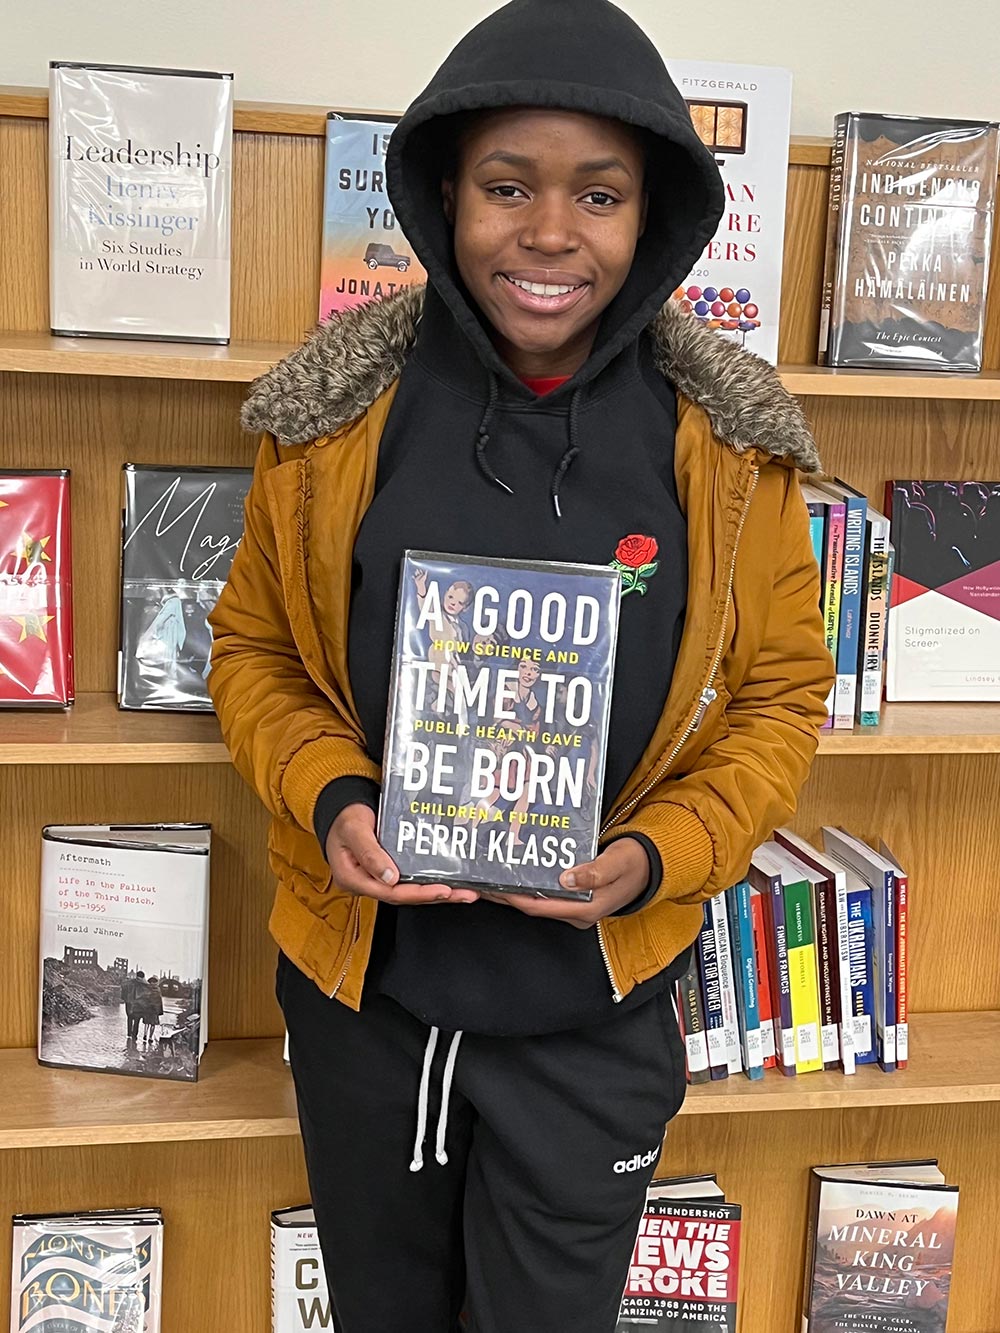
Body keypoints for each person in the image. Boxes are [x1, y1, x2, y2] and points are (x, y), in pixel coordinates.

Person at [208, 2, 833, 1329]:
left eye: (598, 195)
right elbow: (255, 651)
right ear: (445, 196)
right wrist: (333, 798)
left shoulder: (730, 453)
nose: (550, 233)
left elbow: (780, 699)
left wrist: (658, 854)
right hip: (368, 1000)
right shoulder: (332, 423)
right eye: (507, 187)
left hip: (592, 1019)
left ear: (652, 217)